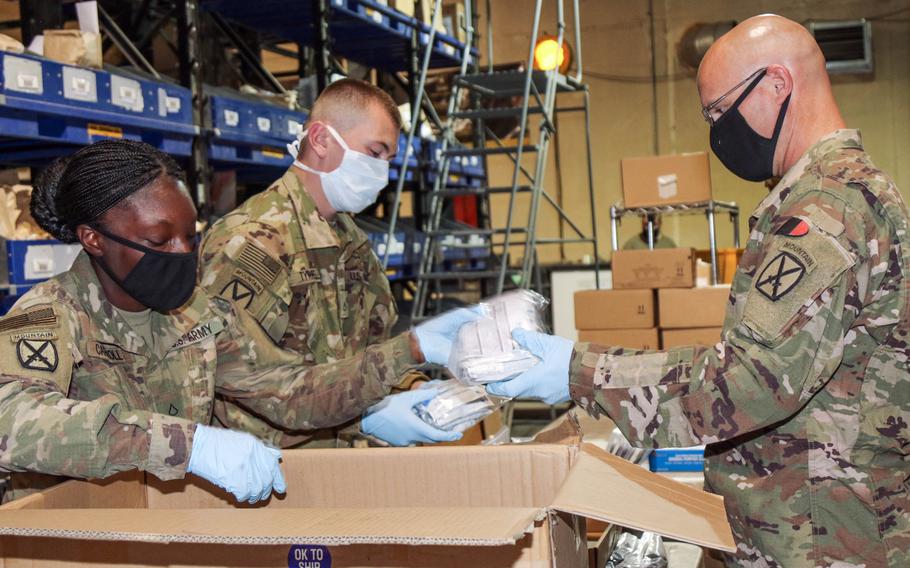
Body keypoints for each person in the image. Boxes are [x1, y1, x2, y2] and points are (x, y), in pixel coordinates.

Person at [488, 15, 909, 567]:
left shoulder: (828, 210)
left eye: (720, 111)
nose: (717, 131)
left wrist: (577, 369)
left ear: (778, 83)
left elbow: (747, 383)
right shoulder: (826, 197)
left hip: (821, 543)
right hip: (802, 526)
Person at [0, 140, 472, 504]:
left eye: (190, 235)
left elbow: (289, 388)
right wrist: (189, 445)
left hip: (163, 529)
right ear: (94, 239)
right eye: (159, 241)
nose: (183, 255)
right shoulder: (52, 315)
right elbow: (12, 420)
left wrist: (408, 351)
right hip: (70, 536)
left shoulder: (196, 312)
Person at [200, 78, 463, 448]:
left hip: (341, 464)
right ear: (322, 140)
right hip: (272, 475)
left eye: (389, 159)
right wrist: (372, 413)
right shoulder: (253, 242)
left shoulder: (349, 240)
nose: (382, 173)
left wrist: (411, 388)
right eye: (374, 152)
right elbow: (254, 385)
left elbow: (371, 348)